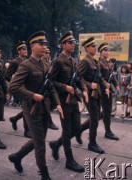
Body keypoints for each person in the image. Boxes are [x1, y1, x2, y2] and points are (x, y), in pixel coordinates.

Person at [8, 31, 63, 179]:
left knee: (39, 139)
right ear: (32, 46)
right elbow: (13, 87)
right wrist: (32, 95)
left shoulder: (45, 64)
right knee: (40, 144)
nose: (45, 47)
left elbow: (50, 85)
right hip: (31, 109)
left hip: (44, 108)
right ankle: (44, 174)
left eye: (45, 44)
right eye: (41, 44)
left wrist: (57, 103)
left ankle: (17, 156)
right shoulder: (26, 65)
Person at [48, 31, 88, 173]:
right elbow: (50, 81)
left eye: (73, 43)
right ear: (63, 44)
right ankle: (69, 160)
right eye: (70, 43)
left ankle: (56, 144)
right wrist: (65, 87)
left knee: (76, 129)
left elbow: (78, 78)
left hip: (73, 100)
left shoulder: (73, 60)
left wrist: (83, 89)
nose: (73, 45)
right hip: (63, 100)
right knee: (67, 131)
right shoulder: (58, 61)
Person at [77, 37, 105, 153]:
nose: (95, 48)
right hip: (88, 93)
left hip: (96, 94)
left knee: (97, 116)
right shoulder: (85, 61)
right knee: (94, 118)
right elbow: (78, 77)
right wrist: (89, 86)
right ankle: (92, 143)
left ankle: (77, 131)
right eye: (93, 46)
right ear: (87, 48)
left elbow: (98, 78)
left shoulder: (94, 61)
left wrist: (105, 85)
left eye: (95, 46)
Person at [5, 41, 31, 138]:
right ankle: (27, 130)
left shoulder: (28, 60)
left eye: (26, 49)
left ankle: (15, 119)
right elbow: (7, 75)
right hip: (20, 88)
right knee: (27, 107)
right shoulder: (15, 62)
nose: (25, 51)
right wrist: (16, 82)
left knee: (27, 107)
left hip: (28, 87)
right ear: (19, 51)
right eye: (23, 49)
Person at [98, 42, 119, 140]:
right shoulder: (99, 63)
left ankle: (88, 125)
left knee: (107, 111)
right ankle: (108, 131)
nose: (107, 52)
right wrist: (105, 86)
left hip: (108, 90)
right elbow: (99, 76)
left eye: (108, 50)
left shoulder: (107, 62)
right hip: (102, 90)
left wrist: (117, 84)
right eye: (105, 50)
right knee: (106, 111)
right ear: (101, 52)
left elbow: (112, 75)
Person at [41, 48, 59, 130]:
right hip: (41, 88)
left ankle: (15, 118)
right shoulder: (41, 62)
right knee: (46, 107)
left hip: (49, 86)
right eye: (46, 52)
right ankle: (50, 122)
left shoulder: (49, 62)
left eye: (48, 52)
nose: (47, 54)